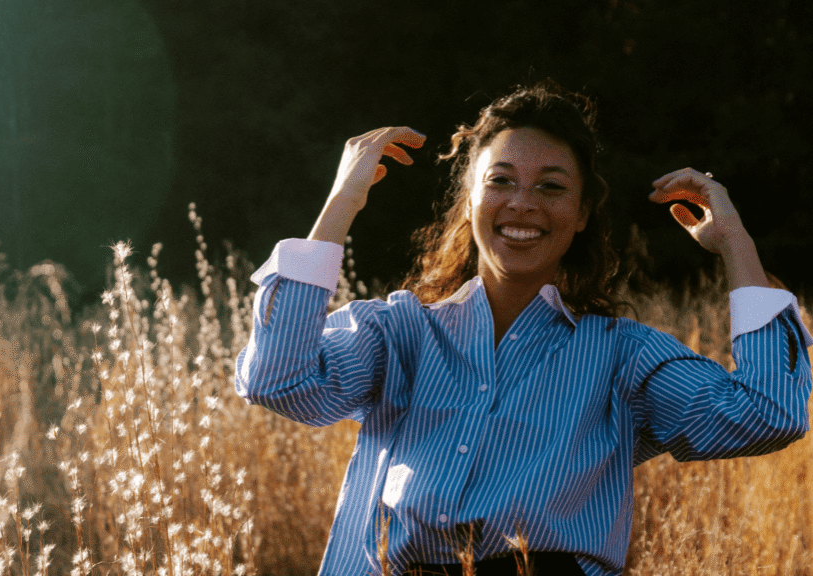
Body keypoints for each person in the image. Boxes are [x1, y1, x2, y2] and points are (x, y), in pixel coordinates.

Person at [235, 80, 813, 576]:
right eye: (501, 181)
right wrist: (342, 200)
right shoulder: (398, 333)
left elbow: (767, 414)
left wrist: (737, 243)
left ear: (582, 214)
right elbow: (276, 380)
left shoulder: (620, 358)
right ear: (468, 200)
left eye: (552, 187)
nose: (523, 204)